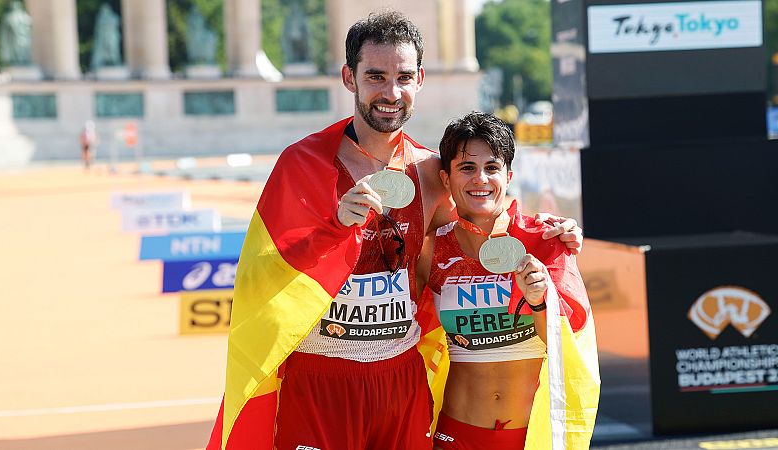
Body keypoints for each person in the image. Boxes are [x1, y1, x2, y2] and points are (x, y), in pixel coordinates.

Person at [206, 12, 584, 450]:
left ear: (419, 79)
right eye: (376, 76)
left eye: (403, 77)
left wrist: (547, 231)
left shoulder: (430, 171)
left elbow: (483, 224)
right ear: (349, 77)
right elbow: (265, 274)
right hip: (321, 379)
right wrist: (334, 228)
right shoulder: (302, 164)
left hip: (400, 380)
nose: (391, 93)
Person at [417, 112, 599, 450]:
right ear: (446, 178)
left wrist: (539, 301)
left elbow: (568, 343)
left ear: (508, 176)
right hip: (455, 434)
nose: (480, 179)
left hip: (529, 436)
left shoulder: (545, 239)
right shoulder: (431, 249)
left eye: (492, 167)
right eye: (467, 168)